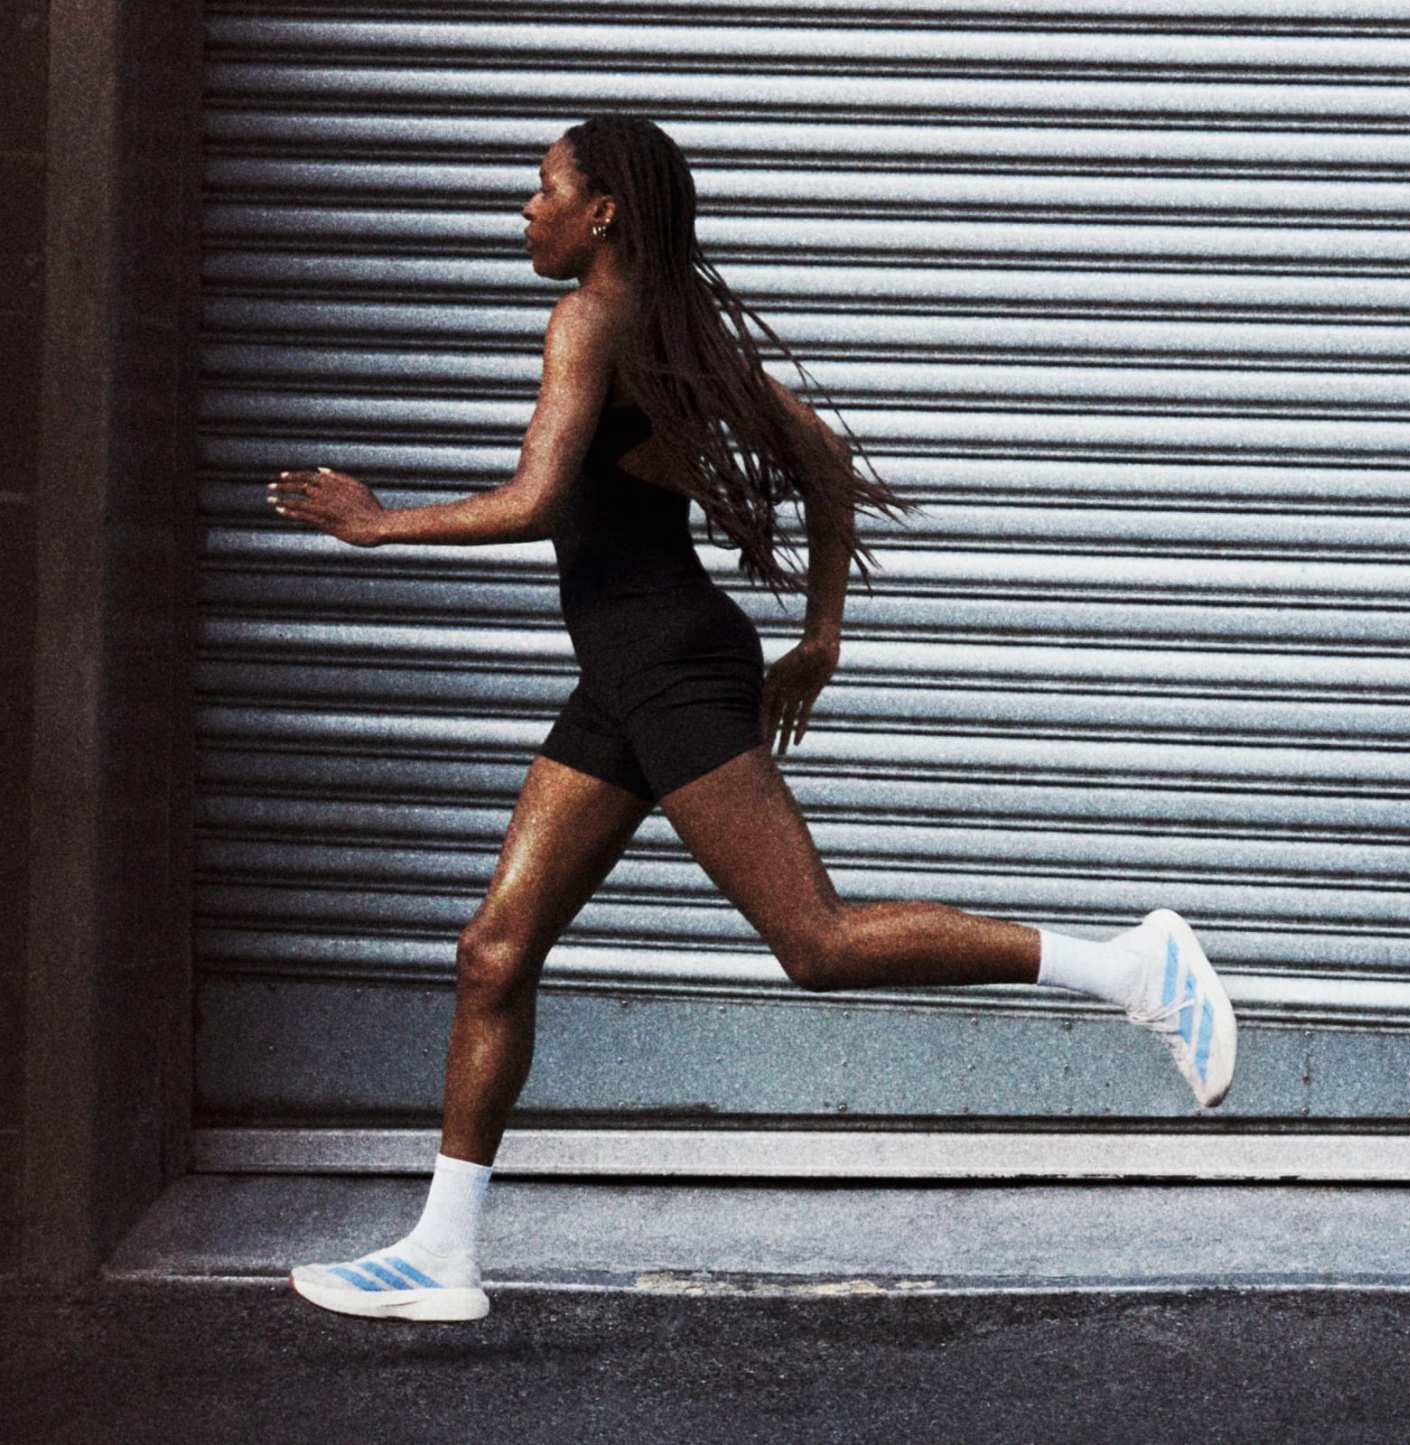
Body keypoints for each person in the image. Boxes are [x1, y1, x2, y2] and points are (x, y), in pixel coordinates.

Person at [267, 115, 1237, 1323]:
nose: (526, 209)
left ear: (601, 211)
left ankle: (1130, 965)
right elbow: (824, 461)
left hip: (666, 666)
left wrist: (378, 524)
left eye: (543, 186)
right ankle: (441, 1250)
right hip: (629, 675)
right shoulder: (672, 323)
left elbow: (539, 497)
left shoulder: (590, 318)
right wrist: (819, 635)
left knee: (814, 940)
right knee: (494, 951)